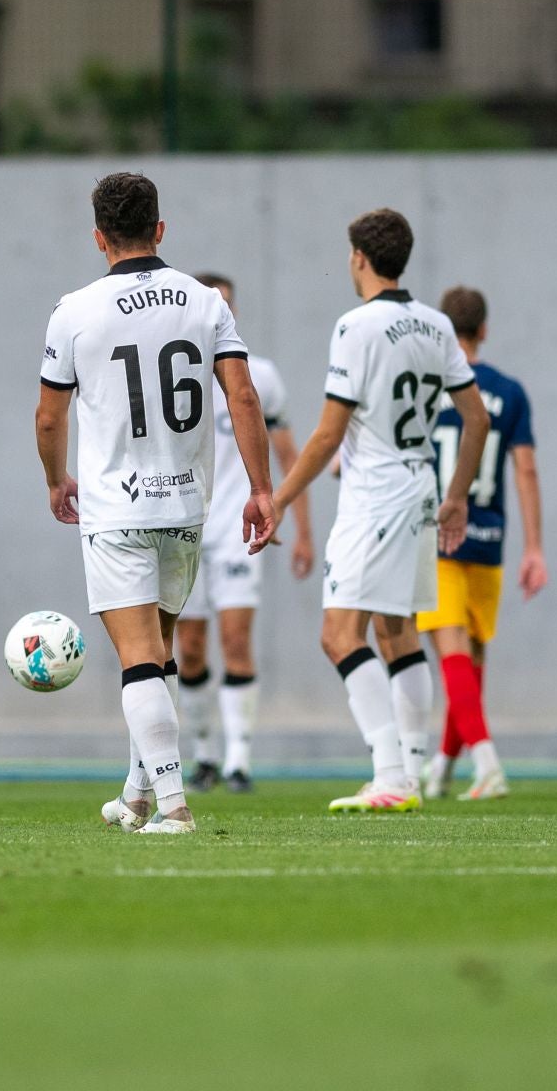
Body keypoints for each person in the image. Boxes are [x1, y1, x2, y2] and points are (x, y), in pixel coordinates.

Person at [35, 172, 278, 836]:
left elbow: (50, 417)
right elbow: (244, 397)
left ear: (98, 237)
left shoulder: (75, 310)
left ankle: (175, 807)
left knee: (141, 659)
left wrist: (57, 481)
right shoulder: (205, 302)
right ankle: (138, 796)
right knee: (163, 653)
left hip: (118, 510)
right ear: (160, 229)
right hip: (186, 506)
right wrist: (261, 488)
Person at [272, 208, 489, 813]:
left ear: (359, 259)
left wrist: (280, 498)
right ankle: (410, 774)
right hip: (420, 487)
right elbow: (477, 417)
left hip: (375, 496)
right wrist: (456, 497)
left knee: (339, 635)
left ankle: (391, 774)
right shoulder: (437, 325)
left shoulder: (356, 326)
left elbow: (325, 435)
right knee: (397, 634)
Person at [174, 273, 315, 794]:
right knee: (189, 648)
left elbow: (288, 455)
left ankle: (238, 761)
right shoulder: (177, 373)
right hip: (185, 526)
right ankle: (205, 755)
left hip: (240, 527)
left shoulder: (261, 376)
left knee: (235, 639)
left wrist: (301, 529)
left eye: (227, 306)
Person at [417, 287, 549, 803]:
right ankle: (445, 766)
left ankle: (488, 762)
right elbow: (527, 468)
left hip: (438, 532)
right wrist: (534, 546)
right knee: (469, 663)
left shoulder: (431, 386)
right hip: (490, 537)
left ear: (444, 331)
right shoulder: (510, 391)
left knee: (451, 658)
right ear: (485, 330)